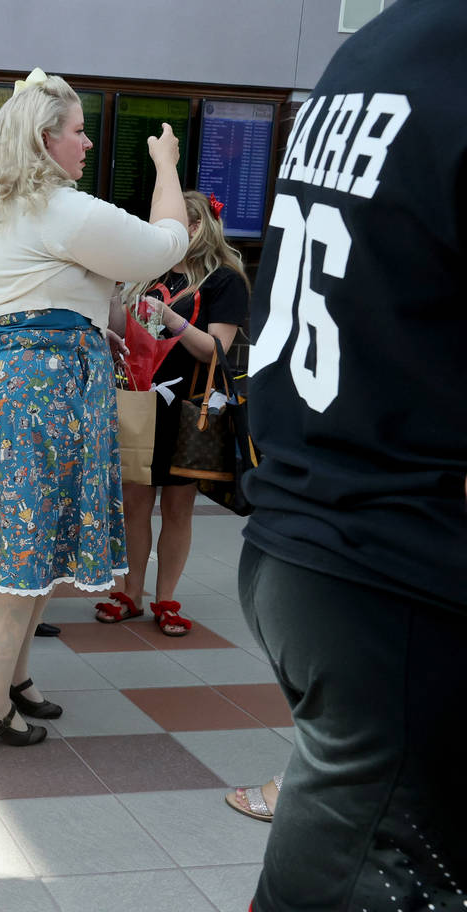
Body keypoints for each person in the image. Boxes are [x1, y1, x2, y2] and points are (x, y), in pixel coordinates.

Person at [239, 1, 467, 908]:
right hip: (405, 570)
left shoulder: (377, 49)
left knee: (349, 834)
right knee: (387, 855)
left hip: (315, 533)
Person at [0, 69, 189, 745]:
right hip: (43, 394)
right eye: (76, 130)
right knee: (22, 555)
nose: (88, 142)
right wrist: (165, 167)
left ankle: (11, 679)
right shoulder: (61, 210)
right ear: (45, 139)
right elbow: (168, 245)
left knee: (13, 552)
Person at [93, 190, 249, 636]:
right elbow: (125, 334)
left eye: (191, 223)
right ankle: (131, 593)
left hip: (189, 408)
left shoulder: (224, 280)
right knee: (134, 506)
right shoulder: (146, 273)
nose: (183, 231)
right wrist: (109, 295)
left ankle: (167, 600)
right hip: (141, 400)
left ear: (205, 227)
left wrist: (171, 318)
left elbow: (216, 350)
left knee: (179, 508)